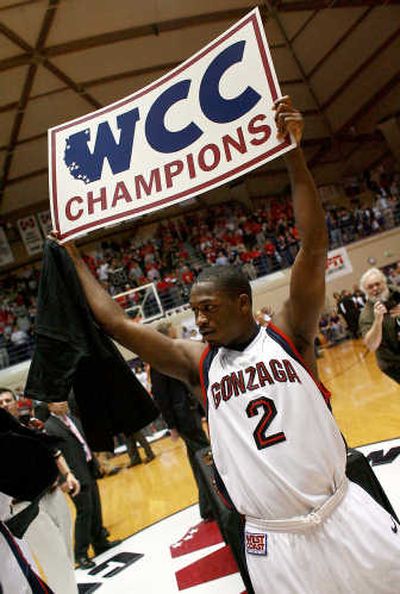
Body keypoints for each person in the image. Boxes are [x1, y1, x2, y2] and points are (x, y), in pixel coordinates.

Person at [54, 97, 400, 593]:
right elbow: (119, 326)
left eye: (208, 308)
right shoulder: (199, 362)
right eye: (194, 310)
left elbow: (314, 245)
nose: (199, 318)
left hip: (343, 511)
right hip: (274, 541)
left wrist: (294, 155)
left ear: (242, 302)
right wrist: (73, 256)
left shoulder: (290, 334)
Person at [0, 387, 80, 594]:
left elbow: (54, 452)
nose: (4, 405)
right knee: (51, 557)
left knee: (64, 547)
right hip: (23, 505)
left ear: (16, 402)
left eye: (7, 400)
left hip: (51, 492)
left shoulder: (32, 424)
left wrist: (68, 474)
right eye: (0, 402)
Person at [45, 401, 120, 569]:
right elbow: (53, 456)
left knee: (95, 507)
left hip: (88, 468)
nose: (63, 402)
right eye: (58, 400)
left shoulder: (72, 419)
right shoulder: (49, 427)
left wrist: (95, 462)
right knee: (84, 512)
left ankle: (100, 542)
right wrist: (63, 479)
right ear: (50, 406)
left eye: (63, 399)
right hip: (73, 476)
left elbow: (83, 443)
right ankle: (81, 553)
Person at [150, 321, 213, 521]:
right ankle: (212, 502)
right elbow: (161, 397)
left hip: (190, 411)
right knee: (204, 455)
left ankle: (208, 505)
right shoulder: (158, 360)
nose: (176, 335)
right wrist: (171, 426)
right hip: (182, 416)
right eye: (173, 333)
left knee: (198, 458)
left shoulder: (172, 354)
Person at [359, 267, 400, 383]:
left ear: (384, 282)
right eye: (370, 287)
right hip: (393, 362)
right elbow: (372, 345)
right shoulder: (366, 315)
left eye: (377, 284)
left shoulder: (397, 292)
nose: (375, 289)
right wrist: (377, 321)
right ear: (365, 291)